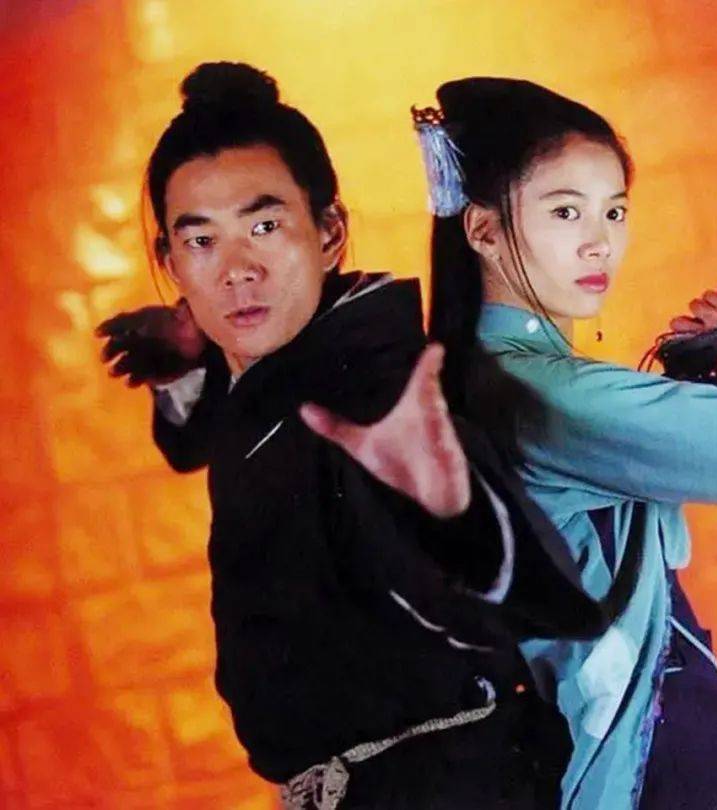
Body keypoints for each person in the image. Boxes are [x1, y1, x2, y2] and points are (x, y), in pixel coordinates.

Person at [97, 62, 632, 810]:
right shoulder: (272, 376)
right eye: (202, 242)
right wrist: (185, 366)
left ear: (329, 233)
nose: (238, 271)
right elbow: (201, 440)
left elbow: (520, 599)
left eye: (265, 226)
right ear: (170, 263)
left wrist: (452, 515)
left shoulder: (373, 389)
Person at [413, 77, 717, 809]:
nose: (599, 241)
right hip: (661, 749)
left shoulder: (466, 385)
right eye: (565, 211)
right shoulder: (545, 394)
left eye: (615, 211)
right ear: (484, 231)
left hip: (610, 749)